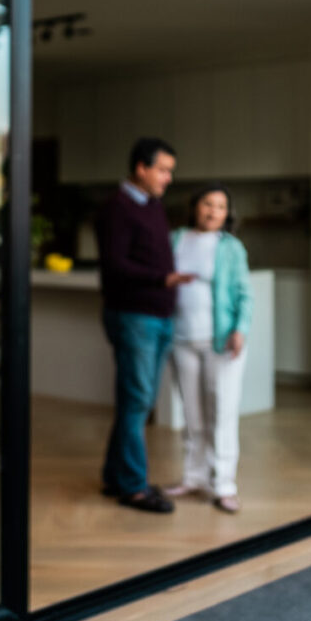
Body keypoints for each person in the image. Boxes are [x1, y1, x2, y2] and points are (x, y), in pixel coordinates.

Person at [95, 137, 193, 513]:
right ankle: (134, 488)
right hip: (135, 316)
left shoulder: (152, 206)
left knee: (135, 402)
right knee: (137, 402)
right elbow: (116, 266)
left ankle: (115, 477)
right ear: (141, 167)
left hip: (157, 316)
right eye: (163, 169)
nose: (168, 178)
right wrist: (162, 279)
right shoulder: (117, 209)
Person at [162, 185, 253, 513]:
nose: (214, 211)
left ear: (227, 214)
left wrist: (240, 330)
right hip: (181, 339)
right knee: (192, 413)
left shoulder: (231, 247)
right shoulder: (175, 240)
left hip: (220, 341)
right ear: (195, 207)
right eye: (208, 204)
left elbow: (245, 293)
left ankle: (224, 484)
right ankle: (193, 476)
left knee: (222, 412)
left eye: (221, 206)